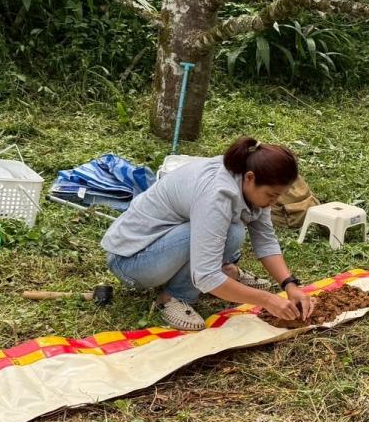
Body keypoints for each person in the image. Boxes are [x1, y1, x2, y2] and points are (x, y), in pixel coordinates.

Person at [101, 137, 315, 331]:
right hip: (132, 262)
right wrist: (267, 300)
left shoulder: (245, 175)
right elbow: (206, 276)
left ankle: (226, 272)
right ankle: (173, 297)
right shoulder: (216, 194)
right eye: (271, 194)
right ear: (250, 178)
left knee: (232, 232)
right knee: (231, 233)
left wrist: (290, 285)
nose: (274, 201)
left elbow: (265, 239)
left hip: (161, 246)